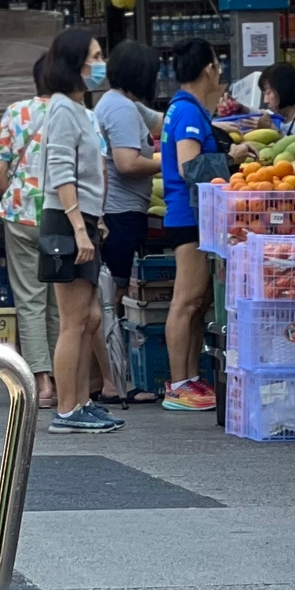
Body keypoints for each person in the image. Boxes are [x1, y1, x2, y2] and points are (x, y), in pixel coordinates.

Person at [41, 23, 120, 435]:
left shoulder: (78, 109)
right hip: (66, 221)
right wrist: (79, 227)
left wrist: (94, 220)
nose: (101, 63)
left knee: (89, 317)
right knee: (74, 320)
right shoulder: (61, 109)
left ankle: (82, 402)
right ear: (75, 63)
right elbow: (61, 172)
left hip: (82, 219)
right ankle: (67, 409)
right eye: (95, 57)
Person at [157, 38, 225, 412]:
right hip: (189, 216)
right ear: (208, 69)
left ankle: (191, 377)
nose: (219, 71)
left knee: (198, 301)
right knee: (186, 301)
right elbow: (189, 166)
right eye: (217, 63)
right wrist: (230, 160)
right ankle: (179, 384)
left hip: (195, 216)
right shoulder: (186, 111)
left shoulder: (186, 108)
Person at [96, 40, 163, 401]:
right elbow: (126, 163)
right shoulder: (121, 109)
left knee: (108, 298)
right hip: (120, 214)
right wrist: (171, 162)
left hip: (122, 211)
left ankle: (104, 381)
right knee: (112, 299)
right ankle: (115, 384)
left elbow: (161, 121)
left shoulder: (120, 103)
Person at [0, 55, 56, 411]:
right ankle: (64, 379)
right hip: (64, 217)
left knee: (31, 300)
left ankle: (41, 383)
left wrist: (11, 200)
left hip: (21, 216)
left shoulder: (16, 112)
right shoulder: (78, 115)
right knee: (61, 302)